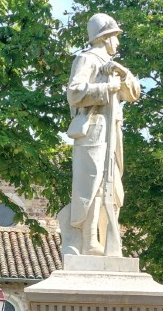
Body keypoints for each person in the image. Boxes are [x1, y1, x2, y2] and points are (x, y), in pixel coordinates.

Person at [60, 13, 141, 257]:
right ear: (105, 38)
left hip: (112, 130)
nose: (118, 42)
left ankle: (107, 239)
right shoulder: (86, 59)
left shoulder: (115, 66)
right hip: (93, 128)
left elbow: (133, 94)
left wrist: (123, 73)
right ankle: (88, 240)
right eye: (115, 37)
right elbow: (74, 94)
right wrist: (105, 88)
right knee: (92, 184)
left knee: (112, 184)